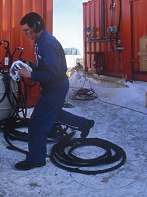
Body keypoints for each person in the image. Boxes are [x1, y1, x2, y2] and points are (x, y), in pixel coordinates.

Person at [11, 12, 95, 171]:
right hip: (53, 86)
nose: (26, 33)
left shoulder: (48, 43)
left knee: (37, 124)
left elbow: (55, 72)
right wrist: (31, 65)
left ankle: (36, 159)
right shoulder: (39, 41)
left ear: (36, 26)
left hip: (55, 87)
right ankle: (85, 124)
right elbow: (47, 66)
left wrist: (31, 74)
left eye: (27, 30)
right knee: (54, 113)